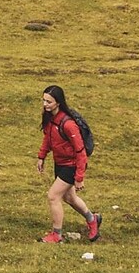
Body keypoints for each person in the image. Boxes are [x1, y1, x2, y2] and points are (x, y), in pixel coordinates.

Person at [36, 84, 100, 243]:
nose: (45, 104)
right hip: (60, 163)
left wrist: (79, 177)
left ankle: (56, 235)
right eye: (44, 100)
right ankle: (93, 219)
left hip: (71, 166)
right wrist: (41, 156)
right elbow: (47, 138)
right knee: (70, 198)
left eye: (49, 102)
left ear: (58, 102)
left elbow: (80, 151)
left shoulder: (68, 124)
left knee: (53, 196)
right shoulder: (50, 118)